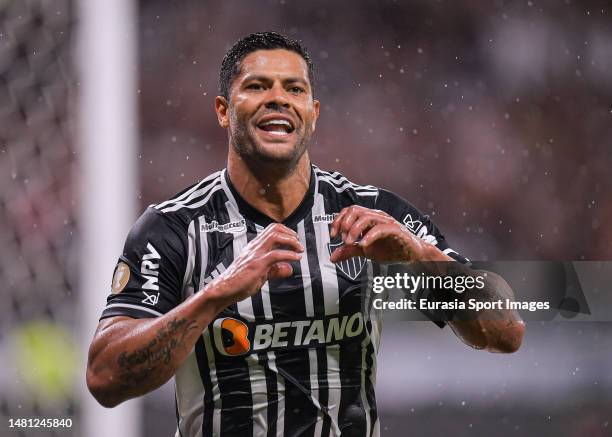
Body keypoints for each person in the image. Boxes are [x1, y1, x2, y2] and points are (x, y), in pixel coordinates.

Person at [86, 31, 525, 437]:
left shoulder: (374, 213)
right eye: (257, 86)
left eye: (294, 89)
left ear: (312, 115)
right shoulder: (175, 227)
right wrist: (214, 296)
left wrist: (418, 255)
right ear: (223, 110)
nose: (278, 99)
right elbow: (105, 378)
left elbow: (505, 332)